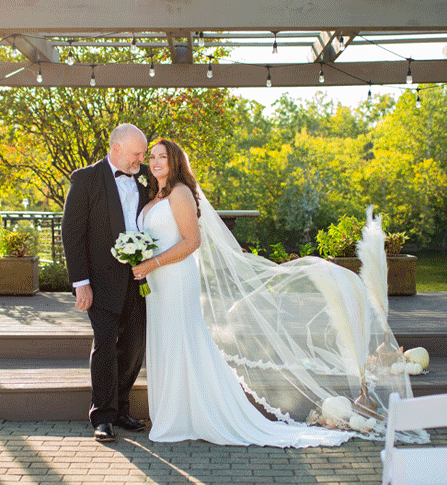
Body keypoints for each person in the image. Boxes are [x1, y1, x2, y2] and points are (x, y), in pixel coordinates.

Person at [132, 138, 367, 446]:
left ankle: (187, 417)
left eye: (162, 156)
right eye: (152, 156)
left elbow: (192, 242)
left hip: (175, 278)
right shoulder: (153, 196)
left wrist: (153, 262)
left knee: (181, 340)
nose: (155, 160)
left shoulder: (180, 192)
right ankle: (171, 413)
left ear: (175, 161)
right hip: (156, 283)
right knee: (165, 341)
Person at [61, 123, 151, 442]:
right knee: (105, 345)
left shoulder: (145, 178)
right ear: (116, 149)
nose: (142, 159)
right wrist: (80, 282)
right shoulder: (85, 179)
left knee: (135, 345)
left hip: (140, 277)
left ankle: (122, 407)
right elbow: (72, 234)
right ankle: (102, 415)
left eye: (143, 153)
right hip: (99, 281)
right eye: (137, 153)